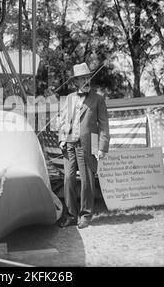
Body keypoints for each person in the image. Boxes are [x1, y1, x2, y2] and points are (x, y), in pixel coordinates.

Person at [58, 62, 110, 229]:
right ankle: (71, 215)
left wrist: (102, 147)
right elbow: (63, 120)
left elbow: (103, 125)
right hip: (69, 144)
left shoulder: (98, 99)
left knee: (87, 180)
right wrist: (61, 138)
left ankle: (85, 215)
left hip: (89, 143)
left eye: (88, 78)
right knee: (68, 179)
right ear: (76, 82)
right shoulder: (70, 98)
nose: (86, 81)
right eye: (82, 79)